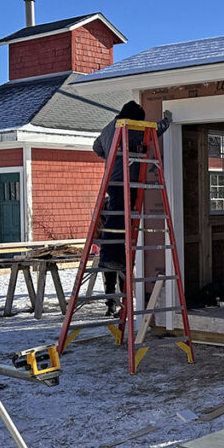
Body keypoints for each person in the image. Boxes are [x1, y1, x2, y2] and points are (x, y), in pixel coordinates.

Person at [92, 101, 171, 312]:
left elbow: (96, 147)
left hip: (113, 180)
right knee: (118, 223)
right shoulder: (129, 128)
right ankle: (110, 259)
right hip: (125, 181)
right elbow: (150, 133)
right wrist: (165, 123)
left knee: (117, 222)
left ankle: (113, 259)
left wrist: (111, 157)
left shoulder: (109, 128)